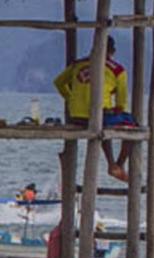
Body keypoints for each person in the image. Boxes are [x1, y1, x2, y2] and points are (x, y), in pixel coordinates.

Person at [53, 51, 138, 181]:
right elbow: (121, 103)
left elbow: (58, 82)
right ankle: (117, 164)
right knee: (130, 124)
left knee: (101, 123)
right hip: (99, 116)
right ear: (112, 52)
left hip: (76, 116)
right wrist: (117, 109)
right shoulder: (117, 70)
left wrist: (70, 98)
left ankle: (113, 164)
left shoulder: (77, 64)